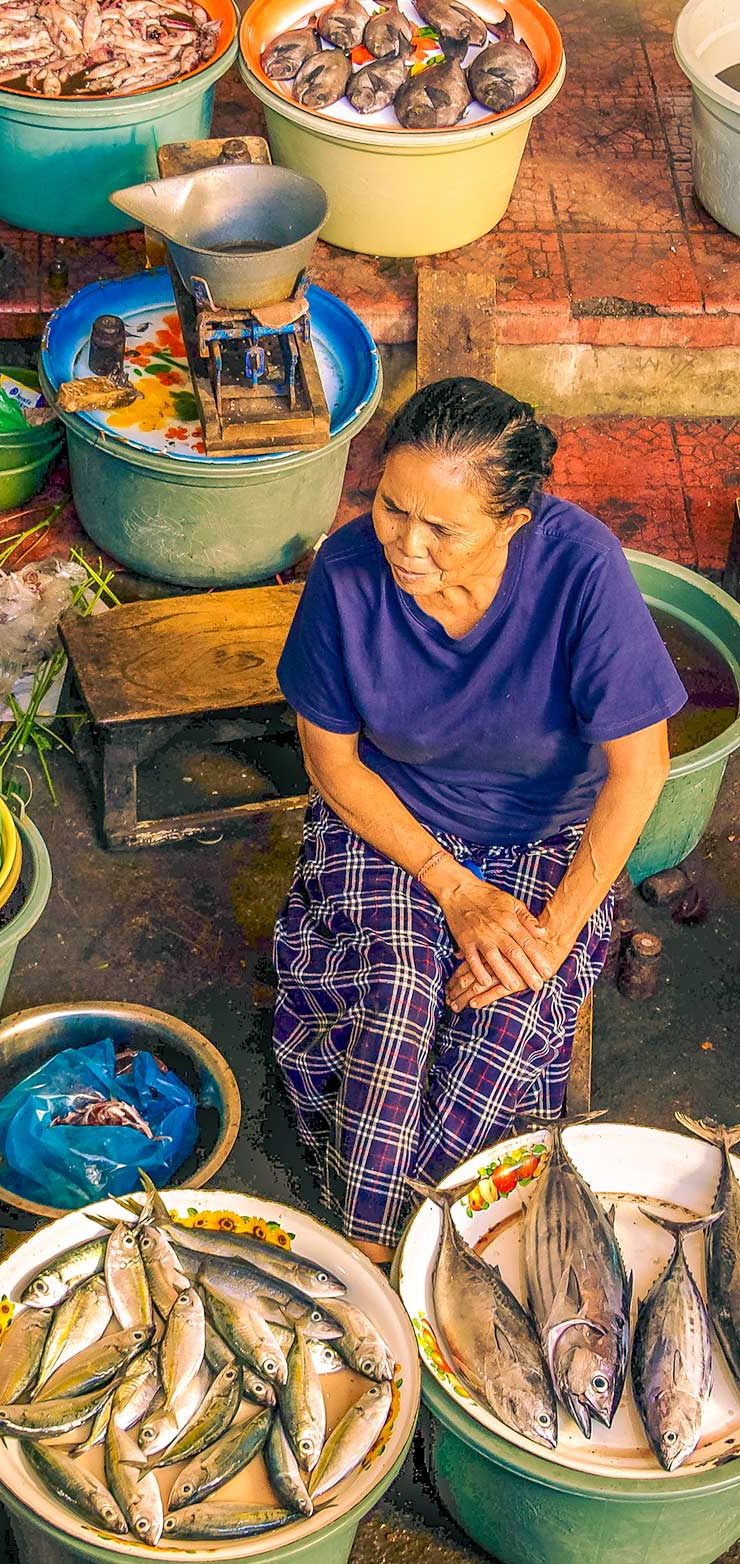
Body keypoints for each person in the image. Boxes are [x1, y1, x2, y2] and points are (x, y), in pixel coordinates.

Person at [271, 377, 686, 1264]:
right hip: (390, 817)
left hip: (543, 831)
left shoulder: (581, 568)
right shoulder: (348, 577)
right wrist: (452, 889)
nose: (406, 546)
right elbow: (332, 763)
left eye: (442, 530)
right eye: (390, 508)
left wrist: (548, 933)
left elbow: (639, 768)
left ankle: (426, 1250)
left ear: (514, 520)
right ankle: (374, 1263)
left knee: (505, 1018)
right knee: (398, 999)